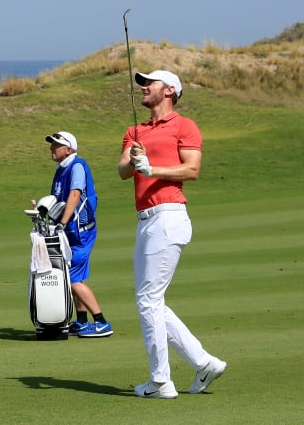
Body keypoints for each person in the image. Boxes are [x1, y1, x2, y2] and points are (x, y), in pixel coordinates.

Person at [117, 69, 227, 399]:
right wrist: (134, 159)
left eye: (149, 83)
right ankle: (204, 363)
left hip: (168, 216)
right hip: (145, 221)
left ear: (169, 90)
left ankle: (161, 381)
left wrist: (153, 169)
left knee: (148, 300)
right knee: (152, 301)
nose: (143, 88)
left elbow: (191, 169)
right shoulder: (134, 129)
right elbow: (123, 172)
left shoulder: (184, 126)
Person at [44, 131, 112, 338]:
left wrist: (63, 222)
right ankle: (82, 321)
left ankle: (101, 322)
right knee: (74, 277)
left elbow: (75, 194)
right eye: (52, 144)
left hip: (81, 231)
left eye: (56, 145)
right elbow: (57, 200)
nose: (52, 148)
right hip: (70, 231)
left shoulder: (77, 166)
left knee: (72, 279)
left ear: (69, 149)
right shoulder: (61, 169)